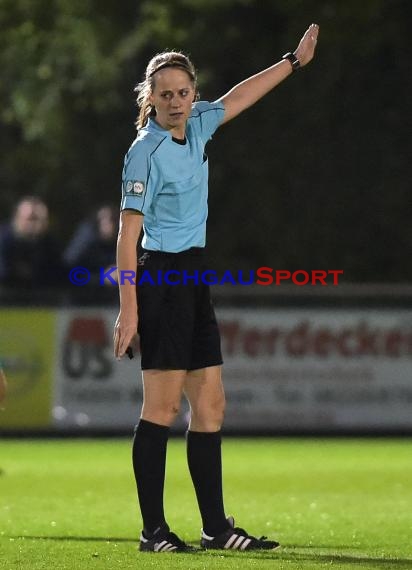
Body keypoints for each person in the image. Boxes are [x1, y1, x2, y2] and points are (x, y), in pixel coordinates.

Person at [114, 23, 319, 553]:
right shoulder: (145, 151)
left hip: (195, 277)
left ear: (193, 94)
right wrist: (128, 310)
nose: (176, 101)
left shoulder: (201, 123)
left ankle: (215, 529)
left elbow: (242, 94)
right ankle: (153, 531)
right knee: (160, 410)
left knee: (211, 408)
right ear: (150, 99)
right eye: (165, 94)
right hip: (161, 277)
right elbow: (127, 235)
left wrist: (292, 62)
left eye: (184, 92)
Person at [0, 196, 63, 289]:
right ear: (16, 218)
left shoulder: (48, 243)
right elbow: (3, 273)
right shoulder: (4, 240)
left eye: (42, 219)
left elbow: (60, 273)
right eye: (32, 218)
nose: (37, 224)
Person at [63, 205, 118, 285]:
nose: (105, 224)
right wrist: (102, 278)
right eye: (101, 220)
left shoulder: (126, 247)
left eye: (110, 219)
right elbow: (73, 275)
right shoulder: (88, 249)